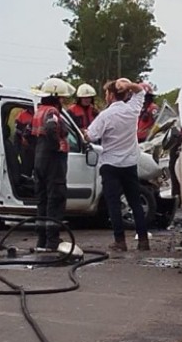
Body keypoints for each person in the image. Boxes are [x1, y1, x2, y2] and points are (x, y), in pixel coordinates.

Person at [83, 78, 149, 252]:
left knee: (113, 203)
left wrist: (84, 134)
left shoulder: (105, 115)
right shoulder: (133, 110)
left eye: (106, 93)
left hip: (110, 164)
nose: (105, 96)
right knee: (135, 202)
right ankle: (143, 240)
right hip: (129, 163)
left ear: (111, 95)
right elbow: (141, 92)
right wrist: (129, 86)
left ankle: (120, 241)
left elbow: (91, 136)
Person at [31, 78, 72, 251]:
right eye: (61, 98)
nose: (63, 101)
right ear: (55, 96)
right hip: (53, 161)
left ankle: (41, 239)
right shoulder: (52, 111)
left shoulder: (38, 111)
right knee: (55, 199)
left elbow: (28, 135)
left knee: (43, 200)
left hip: (40, 159)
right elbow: (50, 129)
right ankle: (52, 240)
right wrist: (56, 146)